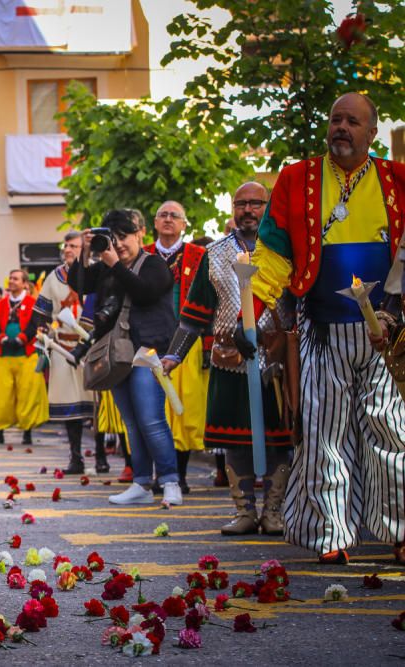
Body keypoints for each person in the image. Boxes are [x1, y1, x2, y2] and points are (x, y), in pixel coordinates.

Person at [251, 93, 405, 564]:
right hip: (321, 328)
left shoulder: (398, 179)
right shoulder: (296, 179)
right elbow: (273, 255)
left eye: (352, 121)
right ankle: (330, 534)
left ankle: (399, 529)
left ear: (371, 133)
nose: (341, 127)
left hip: (387, 333)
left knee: (392, 432)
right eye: (335, 119)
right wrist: (250, 314)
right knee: (323, 432)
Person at [164, 182, 294, 535]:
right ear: (232, 209)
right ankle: (245, 512)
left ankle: (274, 512)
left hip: (277, 361)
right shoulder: (215, 254)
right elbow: (194, 314)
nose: (248, 210)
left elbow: (300, 305)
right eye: (241, 204)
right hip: (229, 359)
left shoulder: (285, 251)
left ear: (268, 207)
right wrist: (174, 355)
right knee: (235, 440)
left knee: (279, 437)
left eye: (256, 203)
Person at [69, 210, 181, 506]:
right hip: (117, 354)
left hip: (147, 352)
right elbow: (79, 284)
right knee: (131, 423)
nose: (118, 244)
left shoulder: (155, 264)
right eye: (112, 238)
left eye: (124, 237)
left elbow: (144, 293)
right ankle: (141, 483)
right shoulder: (107, 267)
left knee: (151, 419)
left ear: (139, 235)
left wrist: (115, 264)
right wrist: (84, 251)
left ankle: (170, 481)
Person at [145, 201, 209, 493]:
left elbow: (212, 301)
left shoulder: (199, 255)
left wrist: (208, 345)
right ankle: (159, 473)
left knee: (182, 411)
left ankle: (179, 475)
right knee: (152, 408)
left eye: (175, 216)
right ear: (155, 223)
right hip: (148, 344)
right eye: (163, 215)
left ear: (184, 224)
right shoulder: (143, 254)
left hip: (186, 344)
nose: (168, 219)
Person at [33, 231, 99, 473]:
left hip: (93, 345)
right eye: (66, 246)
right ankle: (76, 457)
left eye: (74, 246)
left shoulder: (96, 273)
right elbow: (41, 310)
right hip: (62, 346)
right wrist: (42, 332)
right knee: (71, 406)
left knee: (97, 404)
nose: (68, 249)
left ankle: (100, 455)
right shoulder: (54, 276)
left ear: (85, 249)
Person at [0, 269, 49, 445]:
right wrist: (2, 338)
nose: (11, 281)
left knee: (27, 394)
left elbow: (34, 325)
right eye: (10, 278)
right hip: (5, 355)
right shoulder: (1, 303)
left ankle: (27, 432)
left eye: (16, 279)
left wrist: (21, 339)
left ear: (24, 284)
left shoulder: (32, 302)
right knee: (1, 395)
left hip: (26, 355)